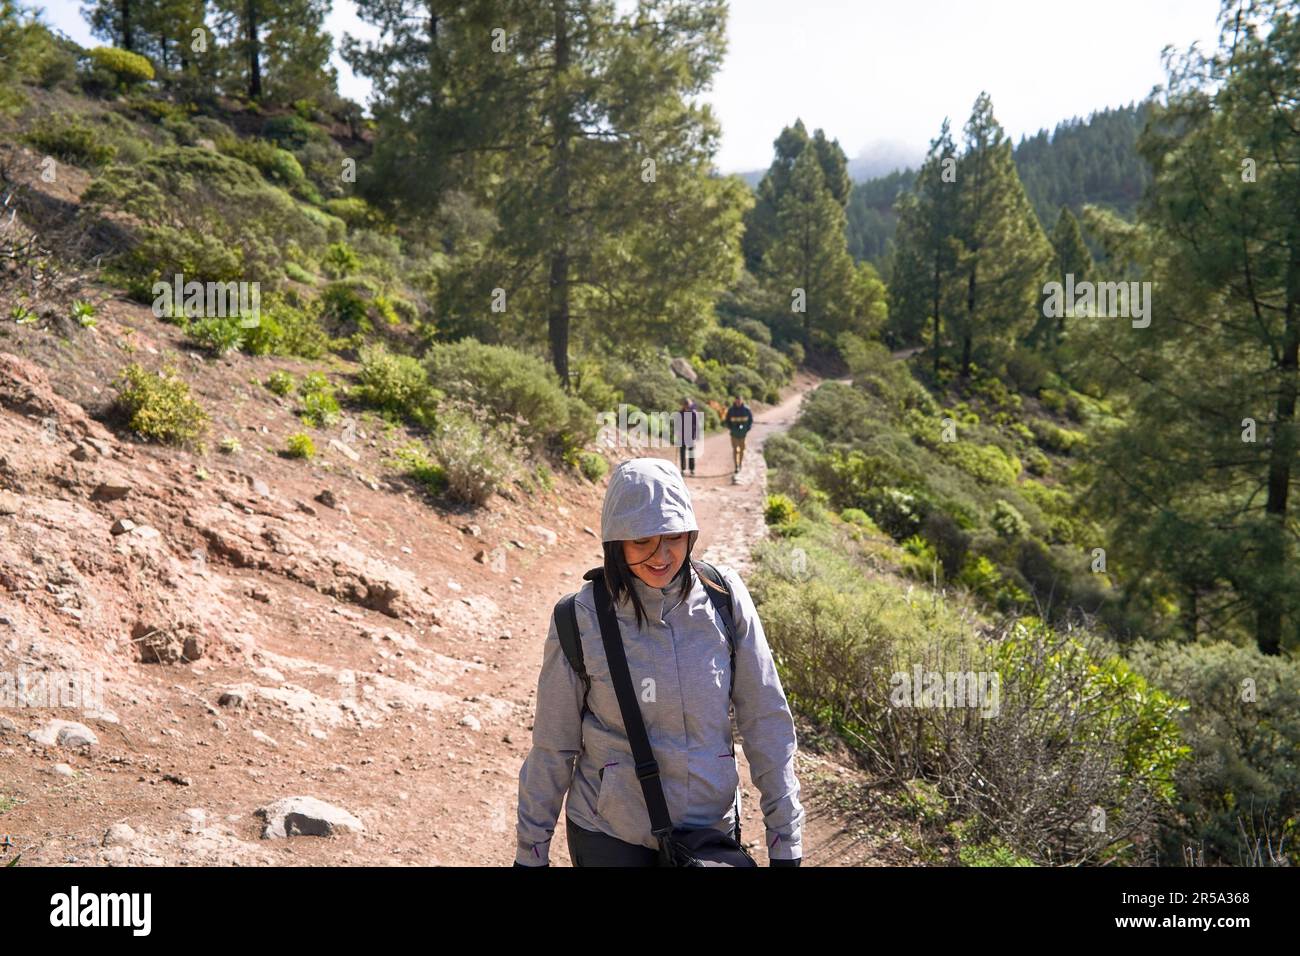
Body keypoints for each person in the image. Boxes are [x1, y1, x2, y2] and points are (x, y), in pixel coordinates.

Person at [514, 457, 804, 867]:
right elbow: (552, 746)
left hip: (708, 829)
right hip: (610, 833)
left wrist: (785, 841)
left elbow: (766, 720)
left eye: (672, 536)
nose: (660, 554)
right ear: (615, 542)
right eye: (641, 540)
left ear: (690, 532)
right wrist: (531, 852)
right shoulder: (579, 618)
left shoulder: (725, 599)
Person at [724, 395, 753, 474]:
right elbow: (727, 421)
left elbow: (751, 421)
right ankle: (736, 466)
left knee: (742, 450)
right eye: (737, 401)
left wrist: (747, 429)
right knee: (736, 450)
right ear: (735, 401)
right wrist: (731, 428)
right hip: (734, 434)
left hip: (743, 435)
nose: (738, 402)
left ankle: (740, 464)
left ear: (742, 401)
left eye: (739, 400)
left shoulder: (747, 410)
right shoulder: (731, 410)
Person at [677, 396, 701, 477]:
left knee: (691, 453)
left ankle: (692, 470)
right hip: (682, 435)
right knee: (682, 453)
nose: (687, 406)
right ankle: (683, 469)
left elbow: (697, 425)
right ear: (683, 405)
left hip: (691, 435)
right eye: (685, 404)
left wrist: (696, 436)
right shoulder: (680, 413)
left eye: (688, 404)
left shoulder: (694, 413)